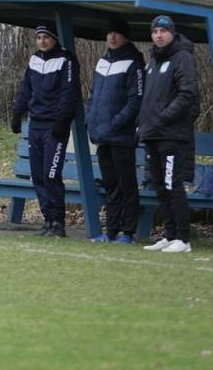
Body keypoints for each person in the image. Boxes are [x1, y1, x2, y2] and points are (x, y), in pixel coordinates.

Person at [11, 24, 81, 238]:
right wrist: (17, 113)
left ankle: (58, 222)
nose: (42, 41)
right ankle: (48, 220)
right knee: (38, 175)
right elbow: (26, 89)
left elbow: (70, 93)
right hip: (35, 124)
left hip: (54, 126)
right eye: (39, 37)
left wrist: (62, 121)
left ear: (54, 39)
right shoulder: (34, 60)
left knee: (51, 175)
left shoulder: (66, 60)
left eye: (46, 37)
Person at [140, 15, 200, 254]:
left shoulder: (182, 58)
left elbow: (187, 95)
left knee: (171, 184)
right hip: (153, 134)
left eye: (163, 31)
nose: (158, 35)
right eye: (155, 31)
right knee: (159, 186)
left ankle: (183, 239)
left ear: (172, 33)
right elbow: (149, 99)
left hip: (172, 135)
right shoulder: (154, 60)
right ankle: (169, 234)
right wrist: (142, 124)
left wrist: (162, 118)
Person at [85, 17, 144, 244]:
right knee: (110, 184)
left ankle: (127, 232)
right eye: (109, 33)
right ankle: (110, 231)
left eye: (117, 33)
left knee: (126, 184)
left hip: (121, 136)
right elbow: (92, 96)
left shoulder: (134, 63)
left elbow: (135, 102)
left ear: (125, 36)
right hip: (102, 136)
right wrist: (90, 120)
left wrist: (115, 123)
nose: (112, 37)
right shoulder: (102, 62)